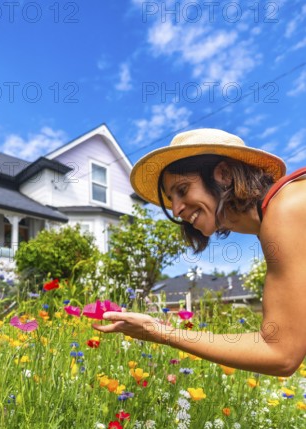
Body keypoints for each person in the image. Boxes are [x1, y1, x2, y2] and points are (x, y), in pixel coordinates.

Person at [93, 128, 306, 377]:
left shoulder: (287, 209)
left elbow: (280, 353)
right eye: (171, 199)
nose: (176, 210)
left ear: (224, 174)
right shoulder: (280, 215)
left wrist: (160, 332)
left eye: (182, 189)